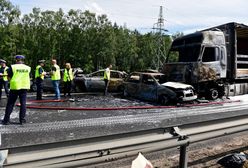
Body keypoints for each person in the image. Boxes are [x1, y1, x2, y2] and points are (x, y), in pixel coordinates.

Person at [1, 55, 31, 125]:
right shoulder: (28, 68)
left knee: (10, 104)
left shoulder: (13, 67)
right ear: (23, 60)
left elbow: (9, 76)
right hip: (24, 86)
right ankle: (22, 120)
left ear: (16, 60)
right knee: (23, 104)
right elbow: (28, 76)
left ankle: (6, 120)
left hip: (15, 87)